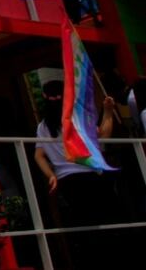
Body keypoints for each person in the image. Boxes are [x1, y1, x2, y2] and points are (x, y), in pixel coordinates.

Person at [33, 79, 117, 267]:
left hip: (67, 181)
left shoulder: (43, 126)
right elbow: (104, 134)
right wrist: (108, 112)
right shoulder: (76, 119)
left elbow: (38, 156)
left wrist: (51, 175)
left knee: (84, 226)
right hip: (90, 175)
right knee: (106, 223)